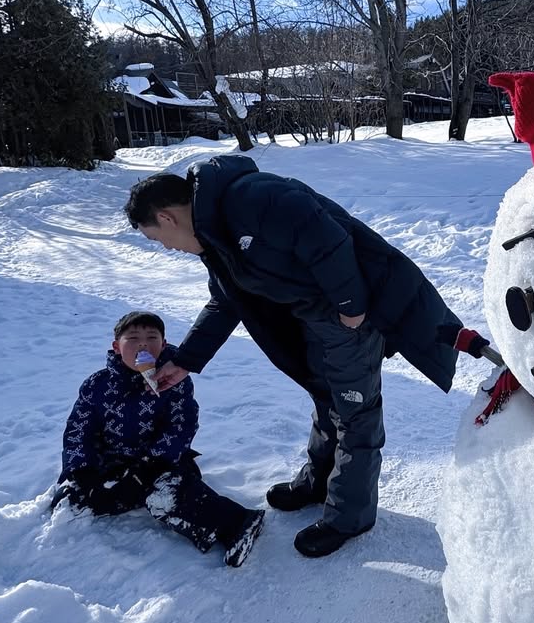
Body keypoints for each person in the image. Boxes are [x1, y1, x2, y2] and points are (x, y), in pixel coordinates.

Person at [122, 156, 464, 559]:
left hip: (350, 313)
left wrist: (351, 305)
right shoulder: (214, 236)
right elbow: (226, 300)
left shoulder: (253, 198)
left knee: (355, 412)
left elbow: (327, 237)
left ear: (166, 217)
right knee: (325, 397)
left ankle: (349, 516)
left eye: (156, 238)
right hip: (313, 318)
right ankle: (318, 481)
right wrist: (188, 359)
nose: (166, 247)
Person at [53, 310, 265, 567]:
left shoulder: (173, 380)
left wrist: (156, 461)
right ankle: (119, 493)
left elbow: (182, 423)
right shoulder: (97, 385)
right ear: (117, 348)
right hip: (113, 461)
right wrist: (81, 469)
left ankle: (235, 524)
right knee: (73, 497)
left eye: (151, 337)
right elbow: (79, 430)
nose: (143, 344)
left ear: (163, 344)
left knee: (168, 492)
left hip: (161, 462)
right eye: (133, 338)